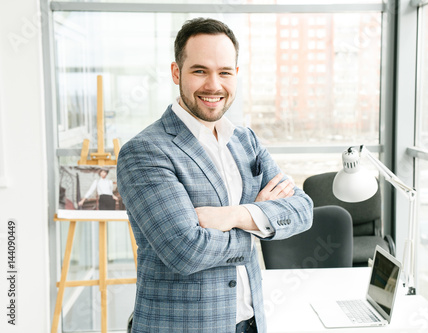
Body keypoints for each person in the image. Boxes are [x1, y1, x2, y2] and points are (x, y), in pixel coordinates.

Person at [117, 17, 313, 333]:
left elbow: (303, 210)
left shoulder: (245, 141)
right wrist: (259, 224)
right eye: (200, 71)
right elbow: (186, 250)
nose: (214, 85)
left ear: (236, 74)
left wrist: (234, 215)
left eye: (224, 72)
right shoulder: (146, 151)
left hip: (251, 323)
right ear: (176, 72)